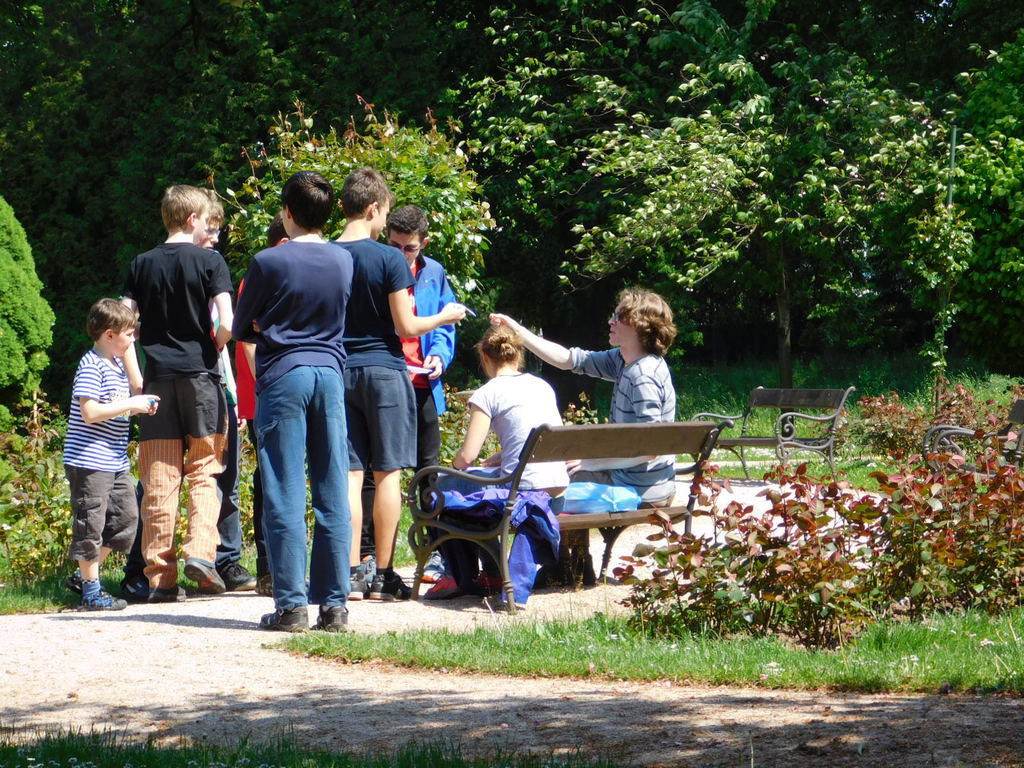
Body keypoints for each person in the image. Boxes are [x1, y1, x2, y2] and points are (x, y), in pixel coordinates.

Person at [335, 167, 466, 601]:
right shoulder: (388, 259)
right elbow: (406, 326)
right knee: (388, 473)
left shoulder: (327, 254)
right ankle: (383, 575)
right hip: (386, 372)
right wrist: (445, 317)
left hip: (341, 371)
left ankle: (350, 573)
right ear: (375, 208)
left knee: (351, 475)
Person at [233, 171, 354, 632]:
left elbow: (241, 327)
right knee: (331, 488)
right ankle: (335, 606)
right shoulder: (343, 259)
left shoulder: (268, 262)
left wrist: (266, 324)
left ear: (287, 212)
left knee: (285, 489)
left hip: (284, 374)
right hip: (331, 374)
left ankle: (291, 607)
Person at [122, 185, 233, 602]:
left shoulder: (141, 263)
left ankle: (160, 579)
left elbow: (123, 325)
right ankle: (200, 554)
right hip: (201, 380)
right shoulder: (210, 261)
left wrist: (137, 380)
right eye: (205, 219)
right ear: (191, 219)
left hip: (157, 382)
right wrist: (213, 348)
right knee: (204, 468)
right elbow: (228, 322)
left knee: (159, 477)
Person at [490, 287, 678, 504]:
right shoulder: (624, 361)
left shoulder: (643, 375)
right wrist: (517, 330)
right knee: (548, 473)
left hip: (637, 491)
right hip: (628, 480)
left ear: (639, 325)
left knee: (539, 490)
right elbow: (569, 360)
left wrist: (592, 463)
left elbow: (651, 449)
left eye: (618, 317)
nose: (610, 321)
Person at [425, 325, 569, 600]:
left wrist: (452, 468)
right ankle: (489, 571)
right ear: (518, 354)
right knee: (477, 495)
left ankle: (457, 575)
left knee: (441, 490)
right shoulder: (542, 386)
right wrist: (504, 456)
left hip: (520, 495)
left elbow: (467, 457)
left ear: (484, 356)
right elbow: (549, 439)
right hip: (557, 495)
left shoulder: (487, 393)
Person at [357, 204, 458, 585]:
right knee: (374, 470)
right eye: (394, 245)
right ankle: (367, 555)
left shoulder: (434, 273)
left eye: (409, 248)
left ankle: (433, 553)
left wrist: (440, 356)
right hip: (385, 380)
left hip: (422, 384)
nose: (401, 254)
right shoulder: (377, 267)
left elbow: (446, 324)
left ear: (424, 244)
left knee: (428, 471)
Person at [63, 299, 159, 610]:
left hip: (114, 461)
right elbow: (90, 412)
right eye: (129, 334)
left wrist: (138, 406)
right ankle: (91, 593)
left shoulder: (116, 365)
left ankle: (83, 577)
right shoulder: (92, 365)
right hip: (89, 462)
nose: (133, 340)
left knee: (125, 521)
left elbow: (112, 409)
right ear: (109, 334)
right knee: (90, 526)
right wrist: (131, 404)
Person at [196, 192, 256, 592]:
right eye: (211, 230)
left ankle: (227, 559)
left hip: (220, 385)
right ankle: (154, 563)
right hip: (189, 382)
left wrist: (234, 395)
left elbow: (226, 339)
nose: (216, 239)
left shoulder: (215, 271)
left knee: (227, 475)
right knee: (166, 477)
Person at [234, 212, 289, 596]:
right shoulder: (260, 275)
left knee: (285, 477)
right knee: (269, 478)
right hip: (263, 394)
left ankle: (285, 567)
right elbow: (248, 343)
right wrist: (266, 384)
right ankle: (269, 569)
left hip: (283, 389)